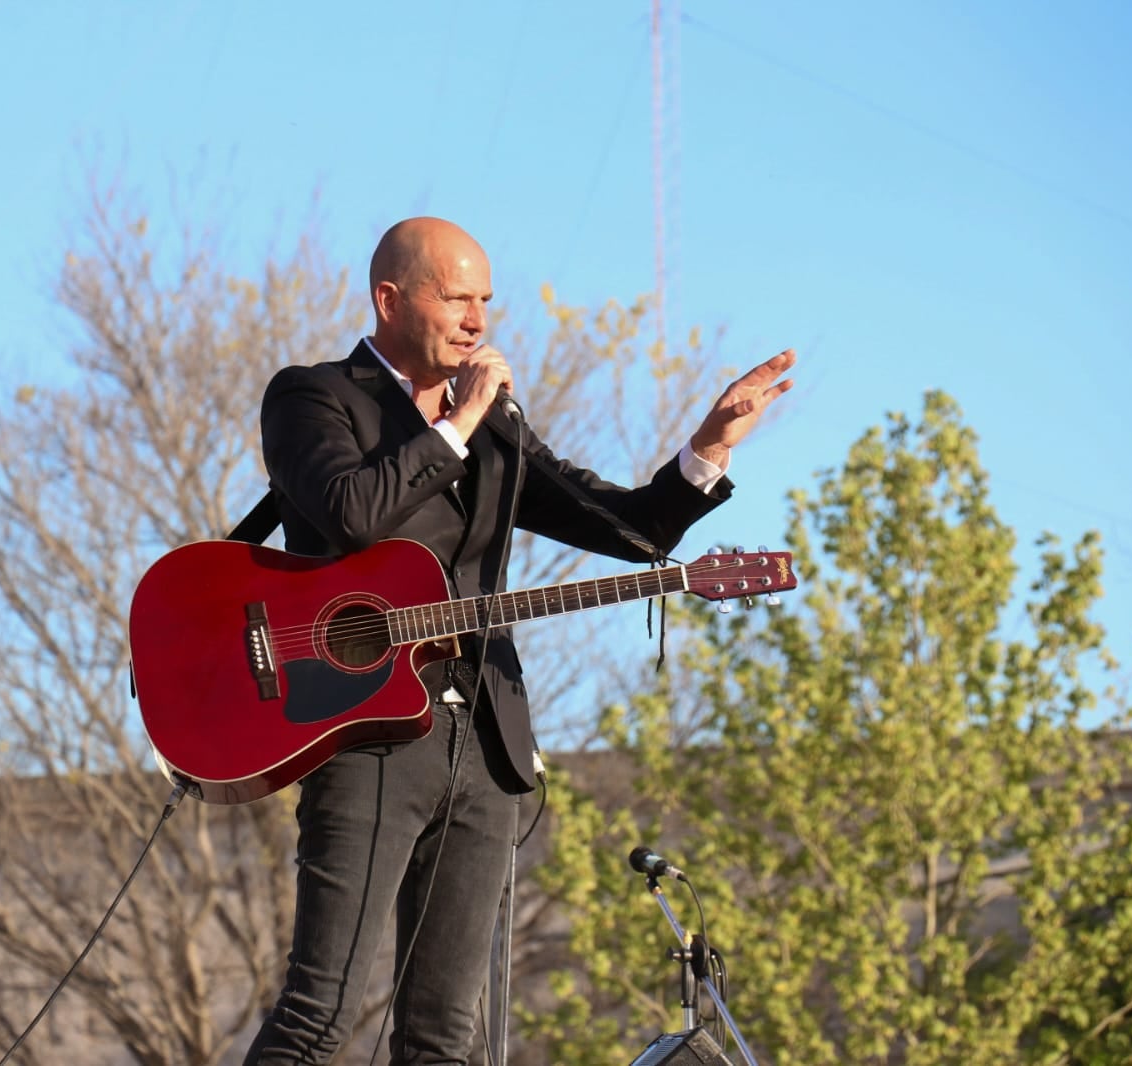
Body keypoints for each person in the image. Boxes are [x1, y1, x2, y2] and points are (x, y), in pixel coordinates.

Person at [244, 217, 793, 1065]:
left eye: (485, 301)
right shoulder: (315, 396)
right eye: (455, 297)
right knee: (318, 1017)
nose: (476, 319)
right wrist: (453, 428)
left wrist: (706, 450)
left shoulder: (494, 423)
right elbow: (351, 513)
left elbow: (624, 527)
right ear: (389, 300)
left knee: (445, 1041)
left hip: (488, 745)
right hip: (367, 733)